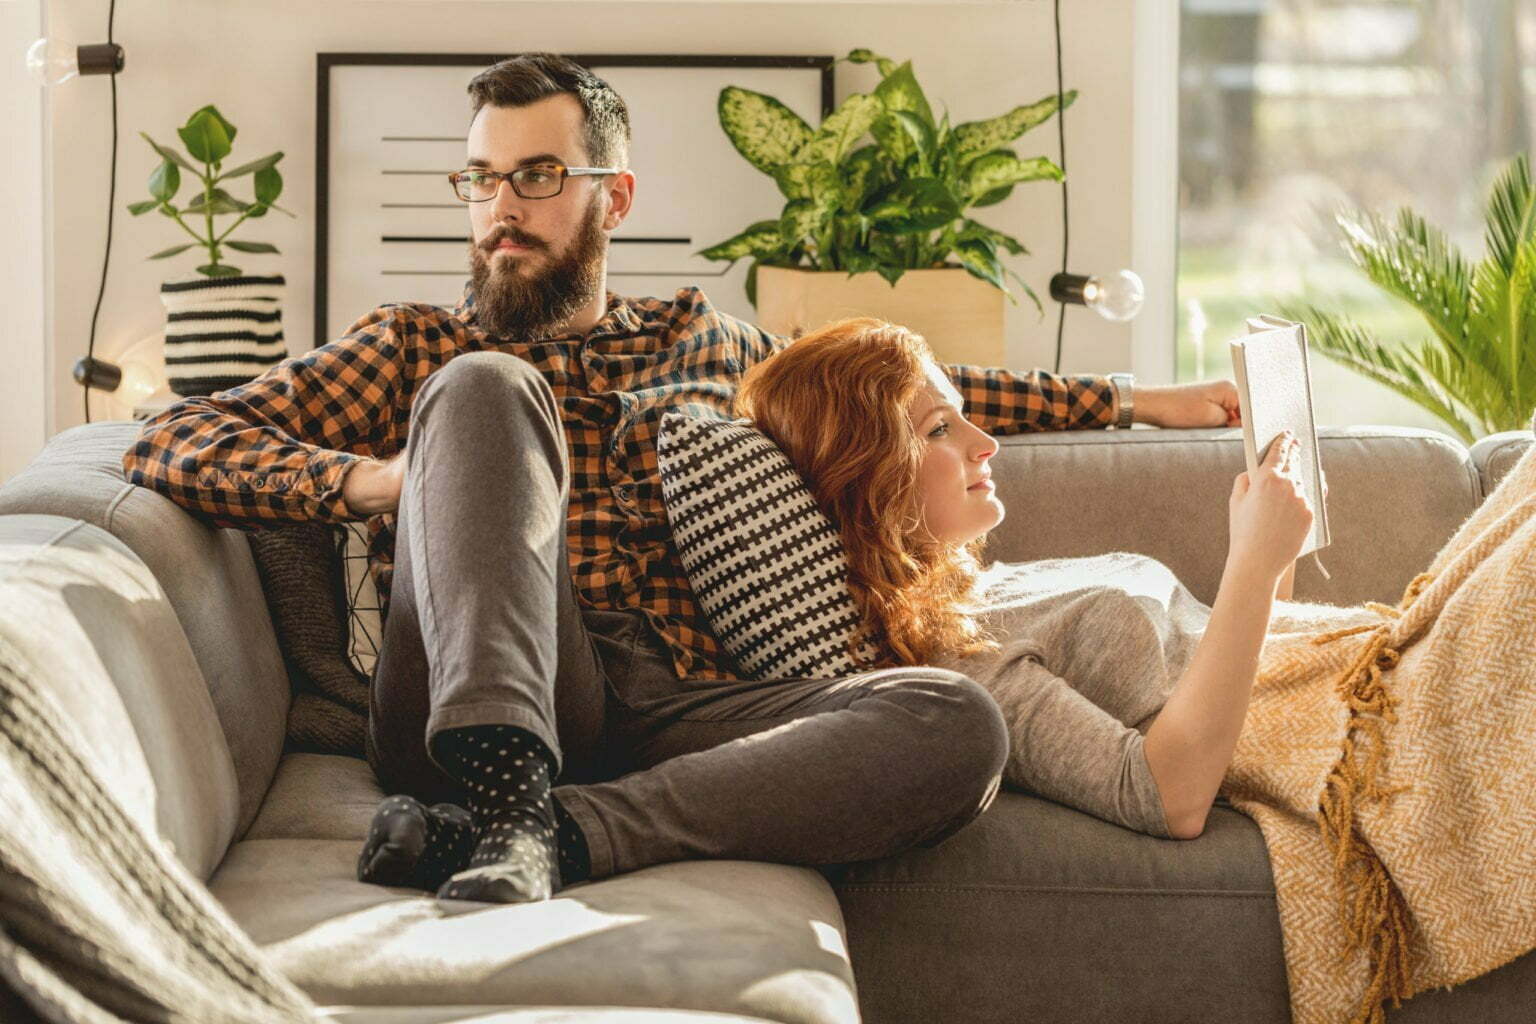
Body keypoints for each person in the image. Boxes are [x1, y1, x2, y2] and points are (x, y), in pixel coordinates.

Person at [121, 53, 1237, 906]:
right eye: (483, 178)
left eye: (539, 176)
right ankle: (505, 788)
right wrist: (374, 483)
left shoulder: (709, 341)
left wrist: (1138, 400)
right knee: (485, 387)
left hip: (683, 708)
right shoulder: (415, 345)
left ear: (616, 196)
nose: (501, 207)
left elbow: (902, 392)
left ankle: (556, 833)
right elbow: (168, 441)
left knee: (955, 721)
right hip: (477, 685)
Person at [734, 317, 1536, 1024]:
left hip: (1364, 665)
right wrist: (1253, 564)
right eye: (941, 430)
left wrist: (1265, 548)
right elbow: (1168, 793)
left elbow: (1217, 662)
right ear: (866, 475)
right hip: (1372, 729)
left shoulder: (991, 588)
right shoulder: (964, 661)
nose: (986, 444)